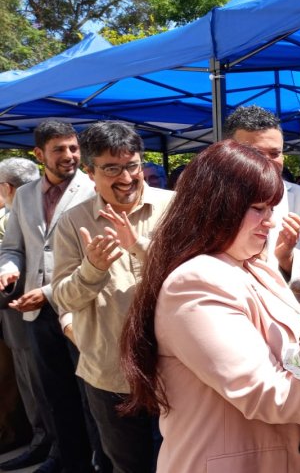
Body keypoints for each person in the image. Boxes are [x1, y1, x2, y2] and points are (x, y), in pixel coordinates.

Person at [119, 140, 300, 472]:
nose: (269, 221)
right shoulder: (195, 282)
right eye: (258, 208)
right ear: (216, 207)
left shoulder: (252, 264)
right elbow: (265, 390)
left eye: (271, 209)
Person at [52, 122, 173, 472]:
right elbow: (64, 299)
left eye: (132, 165)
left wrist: (137, 246)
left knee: (183, 462)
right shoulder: (73, 224)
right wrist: (92, 268)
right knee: (128, 465)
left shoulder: (174, 208)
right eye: (111, 169)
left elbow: (194, 274)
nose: (126, 177)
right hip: (110, 374)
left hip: (175, 368)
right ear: (89, 172)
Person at [0, 120, 95, 472]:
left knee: (91, 395)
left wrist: (49, 291)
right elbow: (12, 247)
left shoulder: (94, 188)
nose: (69, 156)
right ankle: (67, 458)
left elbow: (96, 258)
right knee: (54, 393)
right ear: (39, 154)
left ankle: (98, 460)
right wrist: (8, 269)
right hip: (36, 314)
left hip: (83, 307)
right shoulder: (24, 196)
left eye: (73, 148)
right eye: (59, 149)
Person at [223, 105, 300, 312]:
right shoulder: (213, 201)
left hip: (296, 331)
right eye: (255, 153)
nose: (267, 163)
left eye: (275, 154)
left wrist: (289, 261)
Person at [0, 158, 43, 458]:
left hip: (25, 311)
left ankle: (40, 444)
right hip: (20, 315)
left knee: (35, 387)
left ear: (7, 187)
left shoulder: (18, 217)